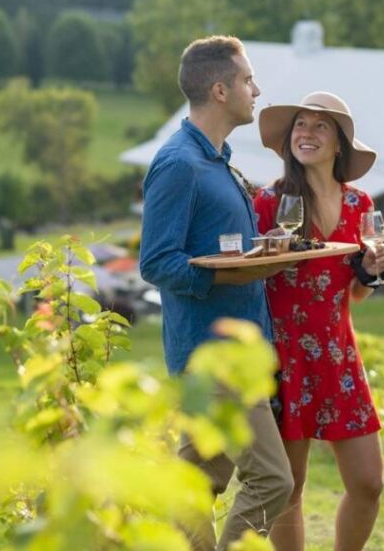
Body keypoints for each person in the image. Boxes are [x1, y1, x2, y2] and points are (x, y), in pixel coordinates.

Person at [138, 35, 294, 551]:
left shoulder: (218, 160)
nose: (257, 89)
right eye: (249, 80)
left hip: (235, 352)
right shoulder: (179, 164)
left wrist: (262, 249)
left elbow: (222, 247)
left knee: (194, 484)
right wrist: (224, 274)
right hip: (212, 357)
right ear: (222, 90)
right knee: (273, 481)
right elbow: (157, 262)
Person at [252, 91, 384, 551]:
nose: (306, 134)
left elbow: (357, 294)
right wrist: (265, 252)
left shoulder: (359, 204)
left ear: (339, 145)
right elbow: (247, 275)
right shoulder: (270, 203)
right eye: (300, 125)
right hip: (283, 355)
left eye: (320, 126)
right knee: (288, 488)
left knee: (368, 482)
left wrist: (371, 272)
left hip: (338, 353)